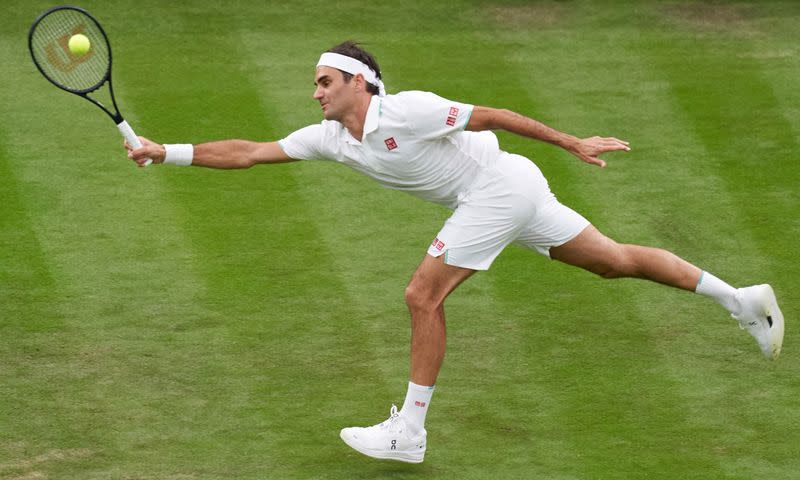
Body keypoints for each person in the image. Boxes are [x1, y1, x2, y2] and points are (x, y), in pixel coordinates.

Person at [126, 41, 784, 464]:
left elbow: (491, 115)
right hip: (512, 193)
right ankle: (742, 298)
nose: (316, 92)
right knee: (612, 260)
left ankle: (409, 431)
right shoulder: (332, 137)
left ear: (361, 81)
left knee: (422, 294)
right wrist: (166, 152)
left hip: (500, 188)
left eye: (325, 81)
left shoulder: (409, 109)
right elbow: (248, 152)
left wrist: (572, 142)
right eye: (316, 85)